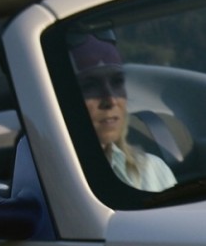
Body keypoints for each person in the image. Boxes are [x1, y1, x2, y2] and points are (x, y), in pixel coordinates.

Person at [66, 29, 176, 191]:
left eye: (117, 82)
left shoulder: (152, 171)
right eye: (89, 86)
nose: (111, 100)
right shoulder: (48, 184)